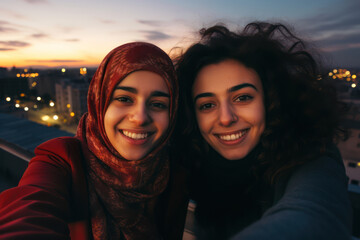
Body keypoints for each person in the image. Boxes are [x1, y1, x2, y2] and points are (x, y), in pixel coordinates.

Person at [174, 22, 352, 239]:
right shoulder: (197, 161)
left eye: (243, 98)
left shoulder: (312, 156)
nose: (226, 118)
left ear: (271, 100)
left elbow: (312, 214)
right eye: (207, 105)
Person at [0, 42, 188, 240]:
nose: (140, 117)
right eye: (124, 99)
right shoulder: (61, 160)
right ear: (99, 102)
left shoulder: (172, 170)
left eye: (158, 104)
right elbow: (29, 211)